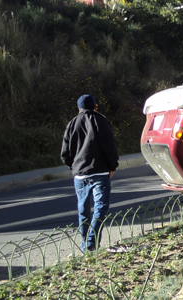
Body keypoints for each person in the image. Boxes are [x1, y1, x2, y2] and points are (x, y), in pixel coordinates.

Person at [61, 95, 119, 252]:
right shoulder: (101, 120)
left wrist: (74, 167)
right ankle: (92, 242)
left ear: (79, 108)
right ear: (95, 107)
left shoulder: (72, 123)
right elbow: (111, 147)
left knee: (83, 212)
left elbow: (65, 153)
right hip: (100, 173)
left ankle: (85, 247)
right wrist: (112, 167)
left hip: (79, 175)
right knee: (101, 207)